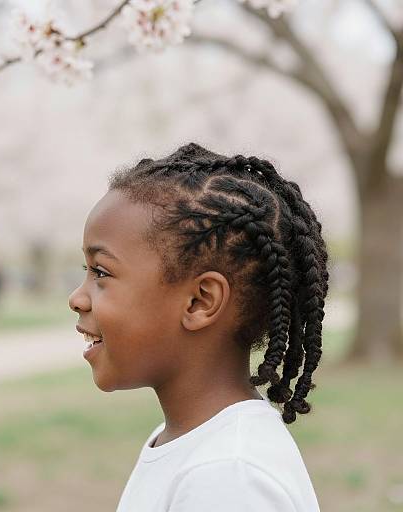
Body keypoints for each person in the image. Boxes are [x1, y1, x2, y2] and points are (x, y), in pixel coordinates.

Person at [68, 143, 328, 511]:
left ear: (200, 301)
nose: (77, 298)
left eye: (101, 272)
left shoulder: (228, 476)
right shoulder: (189, 443)